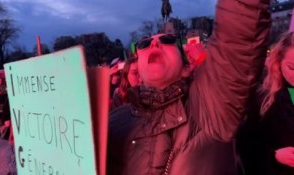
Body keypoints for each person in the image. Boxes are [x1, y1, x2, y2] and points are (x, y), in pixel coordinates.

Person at [107, 0, 271, 174]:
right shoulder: (114, 121)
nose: (154, 44)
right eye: (144, 44)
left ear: (186, 68)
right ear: (137, 70)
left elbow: (238, 36)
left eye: (167, 40)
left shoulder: (209, 105)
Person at [237, 32, 294, 175]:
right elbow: (246, 147)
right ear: (279, 62)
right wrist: (273, 156)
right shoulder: (262, 100)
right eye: (292, 68)